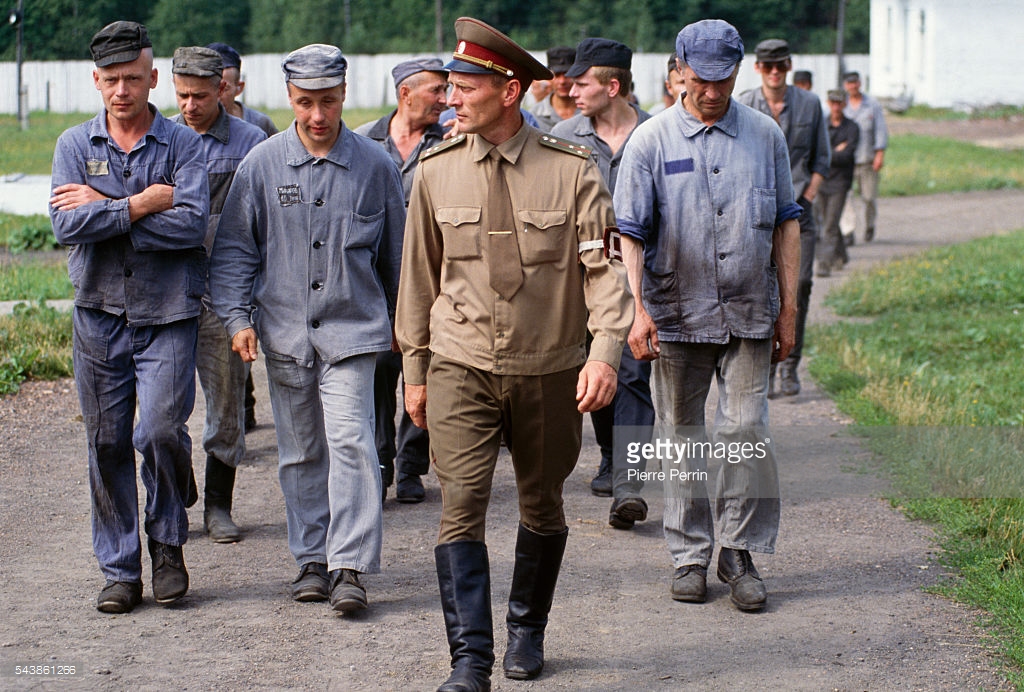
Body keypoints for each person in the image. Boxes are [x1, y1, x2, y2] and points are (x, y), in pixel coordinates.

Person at [396, 17, 632, 690]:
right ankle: (468, 661)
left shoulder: (573, 171)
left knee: (541, 503)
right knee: (461, 502)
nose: (451, 99)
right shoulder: (435, 174)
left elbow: (604, 271)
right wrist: (415, 372)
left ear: (507, 91)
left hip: (551, 370)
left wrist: (605, 352)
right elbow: (417, 283)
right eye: (449, 88)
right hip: (459, 364)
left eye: (464, 87)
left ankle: (527, 630)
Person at [210, 44, 405, 613]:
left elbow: (399, 256)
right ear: (288, 99)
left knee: (351, 442)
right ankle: (311, 560)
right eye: (304, 103)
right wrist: (237, 319)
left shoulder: (376, 166)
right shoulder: (262, 166)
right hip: (286, 332)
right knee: (299, 452)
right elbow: (234, 254)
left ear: (345, 95)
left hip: (354, 331)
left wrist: (404, 328)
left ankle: (348, 566)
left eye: (326, 102)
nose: (316, 115)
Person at [615, 19, 801, 612]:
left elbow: (787, 222)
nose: (713, 92)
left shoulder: (765, 136)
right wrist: (637, 310)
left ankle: (739, 551)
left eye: (723, 81)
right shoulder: (651, 141)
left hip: (750, 308)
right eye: (701, 80)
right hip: (675, 312)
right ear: (679, 72)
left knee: (747, 431)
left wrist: (790, 307)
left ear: (737, 73)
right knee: (682, 437)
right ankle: (690, 554)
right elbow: (631, 233)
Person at [49, 21, 209, 614]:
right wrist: (141, 203)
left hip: (168, 312)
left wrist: (106, 212)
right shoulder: (74, 146)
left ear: (153, 78)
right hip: (99, 316)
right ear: (96, 81)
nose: (122, 91)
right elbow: (67, 225)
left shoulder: (182, 145)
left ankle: (167, 544)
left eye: (133, 79)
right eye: (111, 80)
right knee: (107, 439)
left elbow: (191, 225)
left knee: (160, 431)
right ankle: (119, 568)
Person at [550, 38, 653, 529]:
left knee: (633, 372)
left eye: (582, 82)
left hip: (642, 276)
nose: (570, 91)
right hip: (581, 278)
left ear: (613, 87)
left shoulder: (657, 134)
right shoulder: (564, 135)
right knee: (594, 366)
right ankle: (612, 456)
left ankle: (630, 480)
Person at [169, 46, 267, 542]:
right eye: (182, 95)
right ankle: (179, 481)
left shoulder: (253, 142)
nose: (190, 105)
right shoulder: (158, 138)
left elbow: (257, 222)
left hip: (224, 296)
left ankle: (218, 505)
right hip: (166, 292)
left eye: (200, 96)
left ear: (223, 90)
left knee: (226, 404)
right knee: (163, 408)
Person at [355, 57, 448, 503]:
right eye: (436, 90)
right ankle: (379, 465)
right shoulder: (363, 142)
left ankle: (411, 469)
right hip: (375, 283)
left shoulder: (450, 140)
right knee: (375, 378)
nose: (445, 99)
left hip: (434, 282)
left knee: (423, 370)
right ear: (406, 93)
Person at [737, 38, 830, 398]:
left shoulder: (809, 104)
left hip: (800, 212)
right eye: (768, 66)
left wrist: (807, 195)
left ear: (789, 67)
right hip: (757, 214)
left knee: (800, 286)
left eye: (781, 65)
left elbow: (822, 158)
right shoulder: (744, 104)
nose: (775, 72)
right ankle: (765, 369)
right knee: (760, 289)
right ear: (758, 68)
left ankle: (791, 365)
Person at [207, 41, 277, 432]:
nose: (222, 91)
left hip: (251, 249)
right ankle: (242, 402)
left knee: (244, 324)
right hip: (212, 254)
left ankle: (242, 401)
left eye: (228, 83)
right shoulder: (184, 129)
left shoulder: (258, 128)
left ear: (238, 86)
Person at [815, 89, 860, 276]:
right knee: (826, 221)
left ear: (844, 104)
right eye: (832, 102)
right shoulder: (822, 125)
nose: (835, 106)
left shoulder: (852, 127)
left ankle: (824, 264)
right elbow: (816, 153)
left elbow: (847, 155)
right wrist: (835, 151)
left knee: (830, 224)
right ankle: (841, 254)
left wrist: (828, 153)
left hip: (840, 183)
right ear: (828, 103)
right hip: (821, 180)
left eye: (839, 103)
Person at [843, 70, 888, 244]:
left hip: (866, 158)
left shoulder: (872, 105)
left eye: (855, 82)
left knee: (868, 197)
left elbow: (880, 130)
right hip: (847, 161)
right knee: (846, 197)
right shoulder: (842, 104)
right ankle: (848, 231)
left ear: (860, 83)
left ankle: (870, 225)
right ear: (845, 85)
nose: (853, 86)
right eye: (849, 83)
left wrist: (880, 153)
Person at [207, 42, 278, 138]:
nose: (216, 96)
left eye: (224, 89)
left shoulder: (259, 123)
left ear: (239, 88)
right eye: (208, 88)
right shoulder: (187, 126)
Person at [529, 46, 578, 131]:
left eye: (567, 74)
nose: (562, 81)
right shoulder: (535, 114)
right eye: (557, 75)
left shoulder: (589, 111)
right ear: (549, 77)